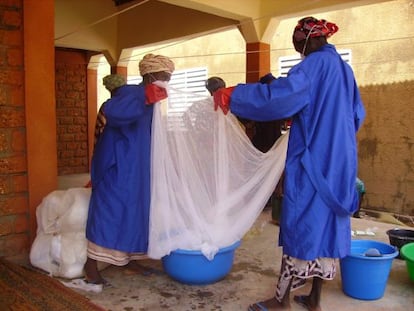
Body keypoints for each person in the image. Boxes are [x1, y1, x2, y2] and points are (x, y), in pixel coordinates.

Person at [213, 16, 365, 311]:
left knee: (302, 227)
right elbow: (356, 114)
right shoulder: (344, 70)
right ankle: (314, 299)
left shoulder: (313, 65)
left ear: (307, 41)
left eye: (297, 46)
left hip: (314, 161)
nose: (298, 52)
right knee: (328, 229)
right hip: (340, 161)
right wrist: (326, 129)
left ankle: (281, 300)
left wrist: (235, 93)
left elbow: (277, 99)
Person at [80, 54, 175, 292]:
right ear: (151, 76)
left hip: (139, 168)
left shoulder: (153, 101)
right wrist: (143, 99)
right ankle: (90, 266)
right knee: (109, 212)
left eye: (169, 77)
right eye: (164, 76)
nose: (167, 81)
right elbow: (113, 111)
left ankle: (129, 260)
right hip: (119, 166)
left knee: (136, 213)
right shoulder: (131, 93)